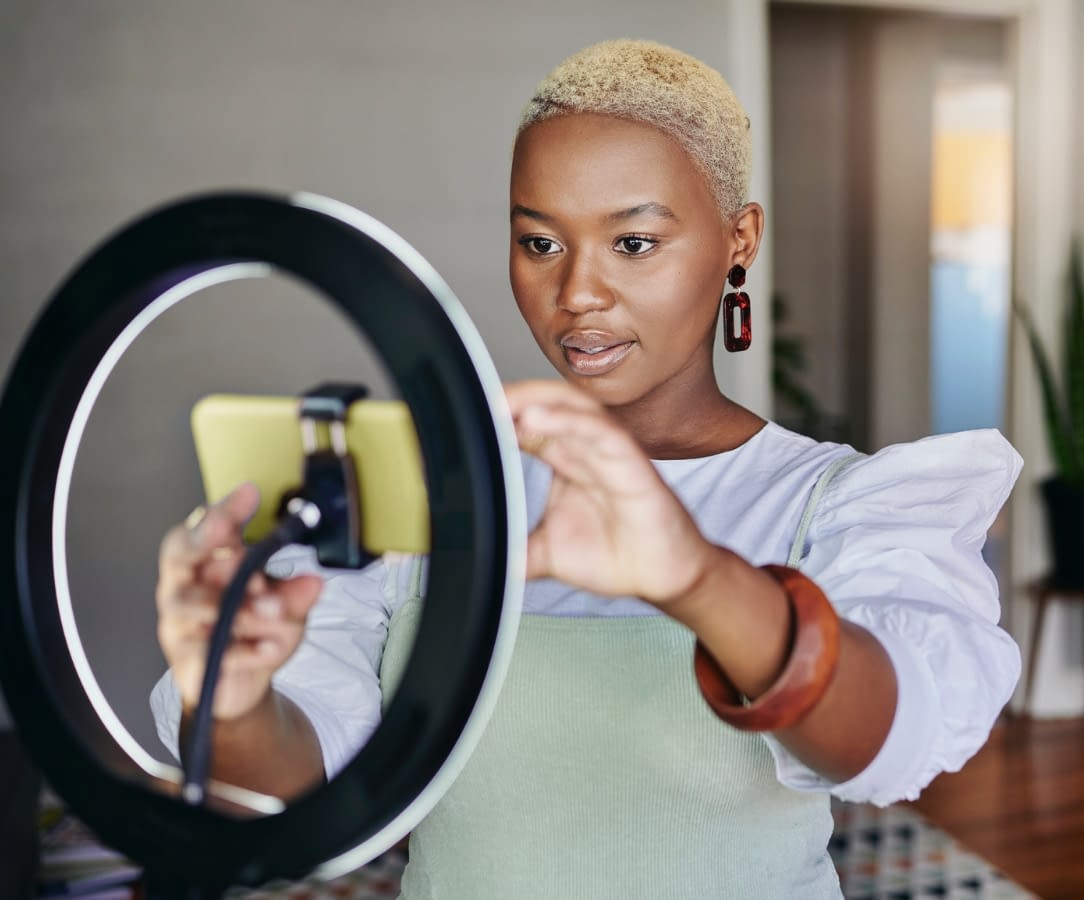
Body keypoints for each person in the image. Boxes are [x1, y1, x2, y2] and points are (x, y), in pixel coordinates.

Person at [151, 39, 1021, 898]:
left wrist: (696, 577)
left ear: (739, 239)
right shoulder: (430, 499)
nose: (576, 294)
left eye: (633, 242)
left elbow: (890, 740)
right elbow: (297, 791)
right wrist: (233, 698)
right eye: (540, 243)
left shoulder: (835, 504)